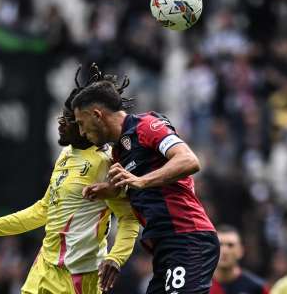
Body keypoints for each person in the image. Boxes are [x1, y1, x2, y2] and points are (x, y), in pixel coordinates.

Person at [0, 67, 139, 294]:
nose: (60, 122)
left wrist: (116, 257)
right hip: (44, 268)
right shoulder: (66, 155)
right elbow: (42, 210)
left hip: (78, 277)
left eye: (69, 119)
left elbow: (128, 218)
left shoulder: (105, 162)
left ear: (86, 122)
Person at [73, 76, 219, 294]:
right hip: (164, 247)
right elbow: (140, 185)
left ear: (97, 115)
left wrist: (140, 181)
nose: (82, 132)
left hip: (188, 238)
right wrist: (112, 190)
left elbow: (189, 160)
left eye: (81, 124)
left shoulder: (146, 126)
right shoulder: (118, 152)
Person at [211, 225, 268, 294]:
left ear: (241, 251)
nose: (224, 250)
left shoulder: (257, 288)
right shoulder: (199, 285)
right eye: (219, 244)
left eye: (230, 245)